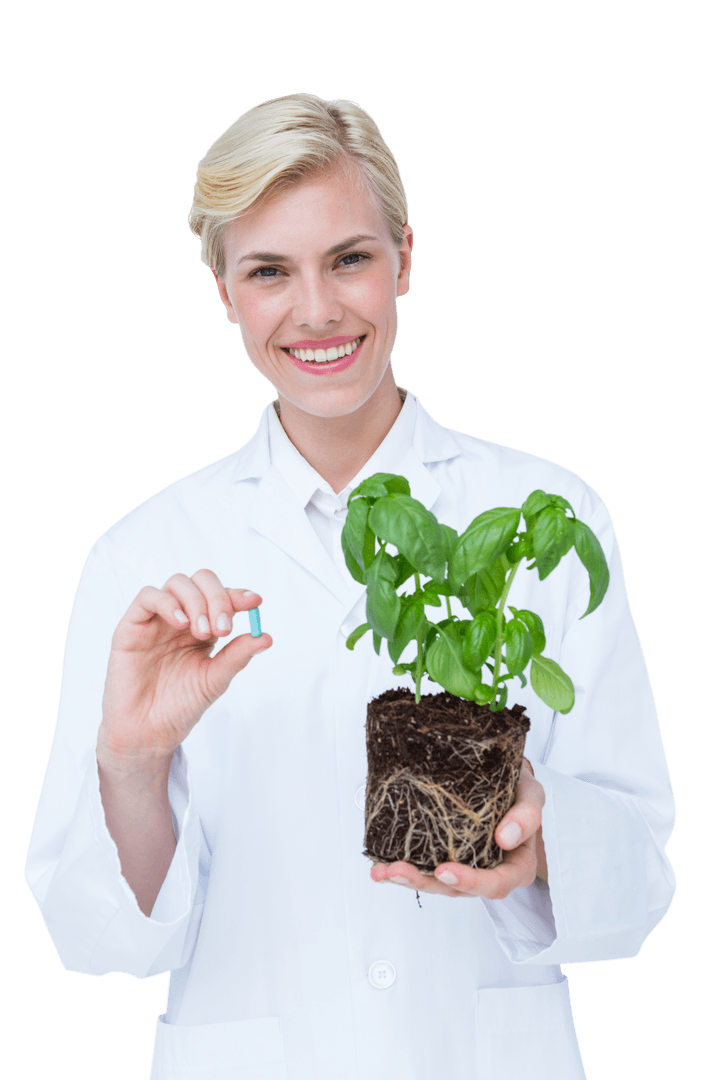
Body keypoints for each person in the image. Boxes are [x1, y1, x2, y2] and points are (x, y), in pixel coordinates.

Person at [25, 91, 676, 1080]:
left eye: (351, 259)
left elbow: (642, 875)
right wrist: (131, 761)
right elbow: (103, 945)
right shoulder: (144, 553)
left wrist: (538, 842)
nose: (318, 310)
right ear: (223, 291)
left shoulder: (545, 510)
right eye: (269, 271)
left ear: (406, 259)